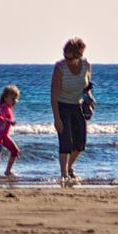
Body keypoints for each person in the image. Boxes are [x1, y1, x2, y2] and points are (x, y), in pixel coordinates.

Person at [50, 38, 92, 183]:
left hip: (78, 105)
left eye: (69, 57)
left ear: (78, 55)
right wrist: (57, 118)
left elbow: (86, 88)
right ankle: (63, 174)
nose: (66, 60)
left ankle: (69, 168)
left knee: (80, 142)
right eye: (65, 56)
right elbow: (53, 95)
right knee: (65, 141)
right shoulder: (60, 68)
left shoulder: (86, 65)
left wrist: (89, 99)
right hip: (62, 105)